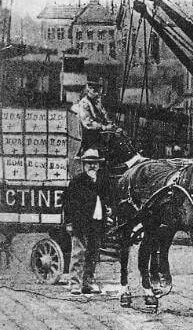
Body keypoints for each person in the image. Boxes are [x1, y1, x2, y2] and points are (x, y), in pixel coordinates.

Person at [64, 149, 109, 295]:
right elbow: (68, 203)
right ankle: (75, 284)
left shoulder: (102, 181)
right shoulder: (77, 181)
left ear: (98, 165)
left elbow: (106, 199)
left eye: (94, 163)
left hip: (97, 223)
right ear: (83, 165)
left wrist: (108, 210)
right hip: (80, 223)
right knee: (78, 253)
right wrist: (69, 222)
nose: (92, 166)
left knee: (93, 254)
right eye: (89, 163)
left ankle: (87, 283)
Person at [71, 77, 120, 157]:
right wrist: (105, 127)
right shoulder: (84, 103)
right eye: (94, 89)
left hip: (100, 136)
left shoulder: (97, 103)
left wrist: (113, 127)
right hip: (89, 139)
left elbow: (105, 117)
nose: (97, 92)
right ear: (88, 89)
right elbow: (88, 124)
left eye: (98, 89)